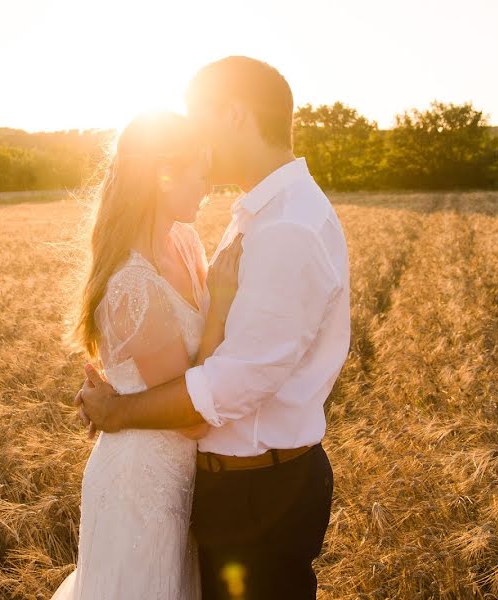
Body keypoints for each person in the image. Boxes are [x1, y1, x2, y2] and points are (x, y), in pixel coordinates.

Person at [76, 56, 351, 600]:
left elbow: (230, 382)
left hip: (260, 495)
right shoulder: (259, 214)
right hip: (217, 488)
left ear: (234, 115)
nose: (195, 140)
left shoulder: (287, 228)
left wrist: (117, 411)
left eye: (200, 119)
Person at [51, 110, 244, 600]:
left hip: (177, 481)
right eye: (200, 172)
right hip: (140, 487)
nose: (208, 185)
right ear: (163, 177)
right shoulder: (134, 285)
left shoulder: (183, 241)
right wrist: (219, 302)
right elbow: (195, 417)